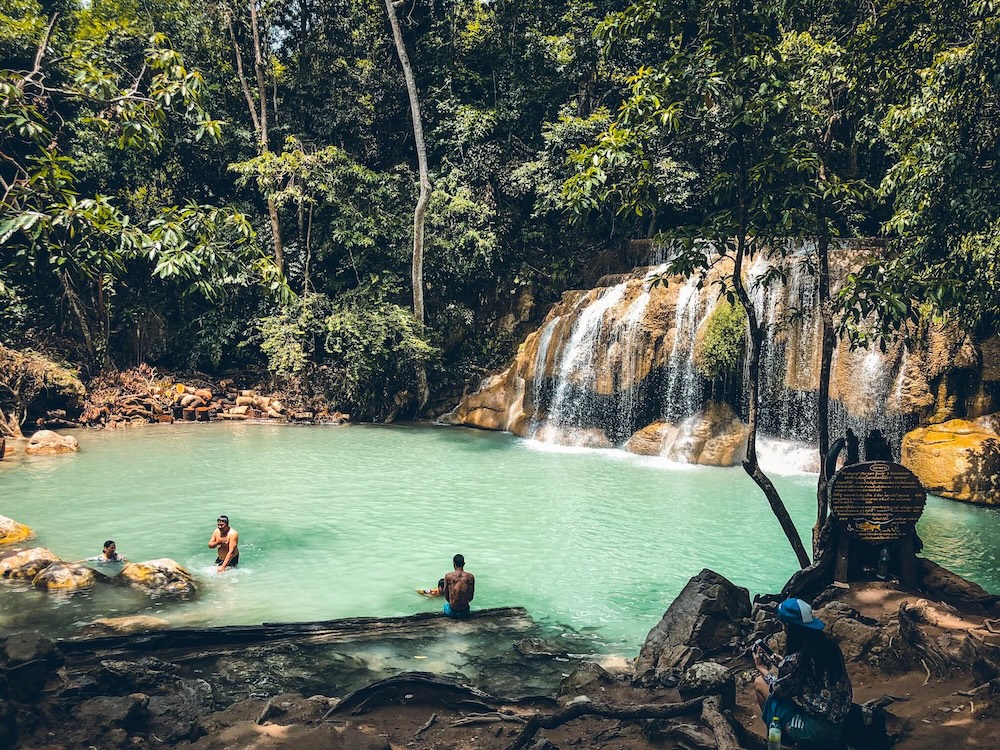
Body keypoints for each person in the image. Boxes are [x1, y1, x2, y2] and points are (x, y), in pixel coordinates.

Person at [752, 597, 853, 749]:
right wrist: (782, 664)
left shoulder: (796, 660)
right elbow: (805, 675)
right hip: (839, 722)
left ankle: (777, 739)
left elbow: (779, 691)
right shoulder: (831, 647)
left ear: (789, 627)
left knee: (760, 683)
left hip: (816, 732)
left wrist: (762, 668)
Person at [441, 554, 474, 618]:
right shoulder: (470, 577)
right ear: (464, 564)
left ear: (454, 564)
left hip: (452, 611)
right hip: (465, 611)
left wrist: (452, 604)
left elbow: (445, 593)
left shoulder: (448, 576)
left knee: (445, 606)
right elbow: (471, 597)